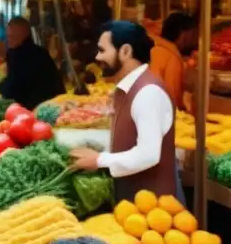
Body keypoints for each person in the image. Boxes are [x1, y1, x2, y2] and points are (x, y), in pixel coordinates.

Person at [70, 21, 179, 202]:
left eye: (103, 50)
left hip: (154, 212)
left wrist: (99, 160)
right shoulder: (124, 88)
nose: (97, 57)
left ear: (126, 51)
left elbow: (148, 155)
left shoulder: (148, 93)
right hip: (132, 205)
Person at [0, 17, 65, 110]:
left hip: (45, 107)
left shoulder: (31, 55)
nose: (9, 39)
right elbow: (13, 80)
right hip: (36, 104)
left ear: (24, 35)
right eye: (8, 36)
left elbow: (17, 84)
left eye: (13, 36)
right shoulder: (15, 52)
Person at [152, 11, 197, 110]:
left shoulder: (154, 48)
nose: (193, 38)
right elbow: (173, 98)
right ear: (183, 34)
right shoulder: (172, 57)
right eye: (192, 34)